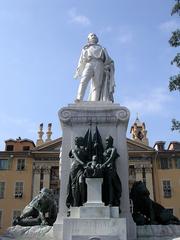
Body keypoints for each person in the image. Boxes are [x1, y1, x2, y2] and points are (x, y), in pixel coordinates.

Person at [74, 33, 115, 102]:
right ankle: (79, 98)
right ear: (88, 39)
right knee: (83, 81)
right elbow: (81, 60)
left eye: (95, 35)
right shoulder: (85, 48)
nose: (93, 36)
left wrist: (109, 65)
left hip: (99, 64)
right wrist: (78, 70)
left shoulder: (102, 48)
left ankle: (94, 101)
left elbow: (108, 60)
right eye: (91, 35)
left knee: (97, 84)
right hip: (89, 63)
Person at [66, 137, 88, 207]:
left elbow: (87, 158)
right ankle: (75, 202)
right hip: (74, 168)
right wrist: (83, 164)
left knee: (81, 182)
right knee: (74, 186)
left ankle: (83, 200)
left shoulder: (84, 150)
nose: (82, 142)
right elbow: (77, 158)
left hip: (81, 169)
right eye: (80, 141)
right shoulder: (73, 150)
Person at [101, 136, 122, 207]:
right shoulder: (104, 151)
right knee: (105, 185)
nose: (107, 142)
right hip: (105, 170)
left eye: (108, 141)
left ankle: (111, 202)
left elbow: (111, 158)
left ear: (111, 142)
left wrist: (104, 164)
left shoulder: (113, 149)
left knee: (110, 185)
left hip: (111, 169)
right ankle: (106, 201)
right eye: (106, 141)